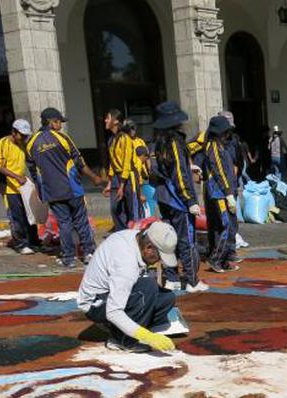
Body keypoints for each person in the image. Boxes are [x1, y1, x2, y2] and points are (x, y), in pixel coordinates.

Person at [77, 221, 189, 353]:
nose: (159, 261)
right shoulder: (125, 263)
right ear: (148, 248)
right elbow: (113, 312)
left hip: (110, 295)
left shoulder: (136, 238)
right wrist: (146, 336)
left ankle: (122, 327)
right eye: (159, 256)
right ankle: (122, 340)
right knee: (148, 287)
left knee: (166, 298)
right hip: (96, 304)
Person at [26, 107, 102, 267]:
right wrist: (94, 177)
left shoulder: (31, 144)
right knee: (81, 222)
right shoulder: (62, 138)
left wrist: (40, 192)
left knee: (64, 223)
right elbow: (79, 162)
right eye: (59, 121)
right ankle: (89, 253)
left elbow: (33, 172)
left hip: (51, 192)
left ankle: (68, 258)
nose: (60, 125)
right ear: (52, 122)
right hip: (72, 188)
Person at [150, 101, 206, 293]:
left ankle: (172, 277)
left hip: (164, 196)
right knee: (186, 240)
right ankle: (192, 280)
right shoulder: (175, 143)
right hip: (178, 200)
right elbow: (180, 174)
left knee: (168, 240)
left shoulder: (158, 143)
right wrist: (190, 200)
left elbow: (159, 170)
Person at [199, 115, 239, 272]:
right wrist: (228, 193)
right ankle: (216, 259)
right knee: (225, 225)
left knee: (225, 226)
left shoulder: (222, 147)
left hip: (224, 192)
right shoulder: (213, 148)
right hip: (219, 193)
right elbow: (219, 172)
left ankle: (223, 260)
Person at [0, 118, 39, 254]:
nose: (24, 138)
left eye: (26, 135)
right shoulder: (3, 143)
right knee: (16, 216)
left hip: (23, 186)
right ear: (14, 132)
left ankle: (34, 241)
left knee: (30, 214)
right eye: (22, 135)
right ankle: (21, 244)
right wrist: (16, 177)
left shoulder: (23, 144)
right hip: (9, 187)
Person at [103, 109, 139, 231]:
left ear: (116, 121)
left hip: (128, 177)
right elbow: (112, 163)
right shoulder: (111, 140)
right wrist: (109, 183)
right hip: (116, 178)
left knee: (131, 210)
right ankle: (122, 233)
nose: (105, 120)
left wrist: (122, 186)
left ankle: (134, 236)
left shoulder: (125, 138)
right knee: (115, 208)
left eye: (108, 118)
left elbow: (126, 162)